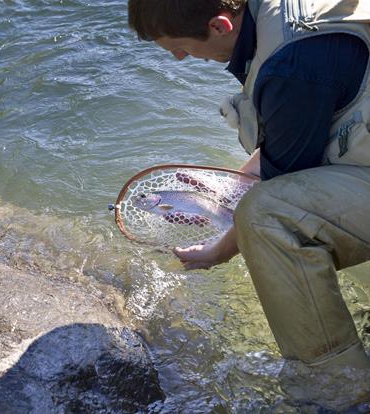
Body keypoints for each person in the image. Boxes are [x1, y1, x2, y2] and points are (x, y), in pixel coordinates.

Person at [128, 0, 370, 410]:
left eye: (180, 47)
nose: (181, 57)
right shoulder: (282, 14)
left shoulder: (291, 64)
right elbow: (304, 131)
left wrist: (216, 250)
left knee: (265, 217)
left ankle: (339, 393)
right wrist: (228, 190)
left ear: (221, 24)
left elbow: (275, 196)